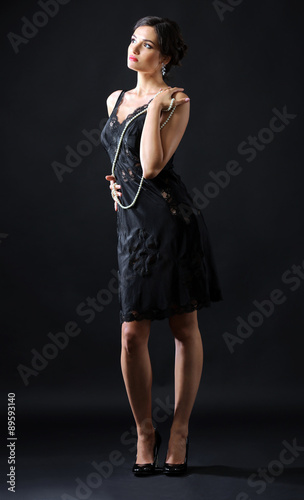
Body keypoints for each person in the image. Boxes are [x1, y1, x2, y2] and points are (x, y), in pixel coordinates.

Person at [101, 15, 223, 476]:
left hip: (172, 223)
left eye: (147, 44)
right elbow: (120, 157)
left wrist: (153, 108)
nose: (135, 48)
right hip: (132, 227)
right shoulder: (114, 98)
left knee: (182, 329)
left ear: (165, 57)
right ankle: (144, 431)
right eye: (133, 39)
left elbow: (152, 166)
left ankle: (179, 431)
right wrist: (110, 185)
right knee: (132, 335)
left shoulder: (177, 102)